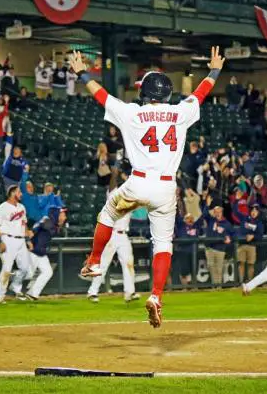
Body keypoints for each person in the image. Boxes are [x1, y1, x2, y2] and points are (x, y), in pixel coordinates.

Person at [72, 46, 224, 328]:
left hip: (138, 182)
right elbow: (201, 93)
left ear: (144, 93)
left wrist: (82, 72)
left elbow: (101, 95)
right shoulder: (180, 112)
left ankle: (94, 261)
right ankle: (156, 296)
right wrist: (214, 69)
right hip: (166, 189)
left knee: (107, 214)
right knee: (163, 243)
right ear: (167, 93)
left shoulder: (131, 113)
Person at [87, 208, 139, 303]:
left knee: (128, 264)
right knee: (103, 264)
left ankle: (130, 292)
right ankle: (92, 292)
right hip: (112, 234)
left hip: (123, 235)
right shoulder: (115, 196)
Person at [0, 185, 33, 304]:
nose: (21, 194)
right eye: (19, 192)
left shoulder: (22, 207)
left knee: (25, 268)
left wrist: (28, 240)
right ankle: (0, 296)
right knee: (7, 269)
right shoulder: (2, 208)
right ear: (12, 193)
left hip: (20, 240)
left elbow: (24, 224)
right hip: (8, 239)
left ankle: (15, 287)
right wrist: (0, 241)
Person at [23, 206, 67, 300]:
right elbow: (34, 228)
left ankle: (32, 293)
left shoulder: (55, 225)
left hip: (41, 253)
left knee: (47, 272)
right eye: (62, 214)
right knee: (29, 274)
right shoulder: (46, 220)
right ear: (57, 214)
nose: (64, 217)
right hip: (33, 251)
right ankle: (8, 275)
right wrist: (28, 240)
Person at [233, 204, 264, 283]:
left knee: (251, 264)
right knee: (241, 263)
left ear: (258, 213)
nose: (254, 212)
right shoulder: (244, 218)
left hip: (252, 246)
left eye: (256, 211)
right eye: (252, 210)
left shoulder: (259, 223)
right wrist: (236, 201)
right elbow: (235, 212)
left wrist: (253, 236)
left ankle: (250, 282)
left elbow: (260, 236)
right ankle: (241, 282)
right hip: (241, 244)